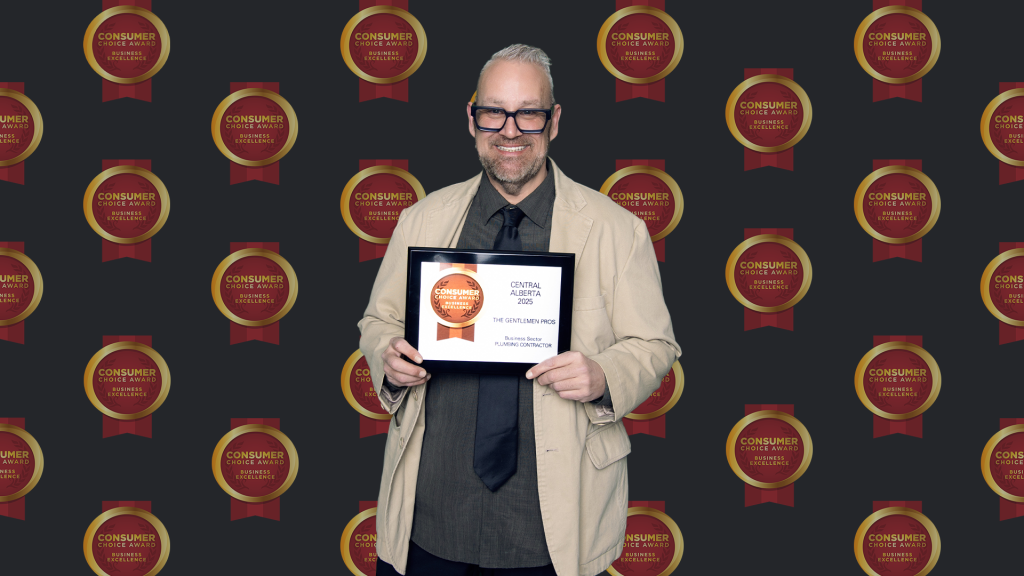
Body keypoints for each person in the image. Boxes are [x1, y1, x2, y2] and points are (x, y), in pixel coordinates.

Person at [359, 44, 680, 576]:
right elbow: (379, 321)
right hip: (431, 517)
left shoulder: (617, 230)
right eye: (494, 112)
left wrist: (605, 374)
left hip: (554, 527)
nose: (510, 131)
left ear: (554, 121)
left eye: (529, 113)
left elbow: (655, 345)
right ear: (472, 119)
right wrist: (388, 356)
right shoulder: (422, 219)